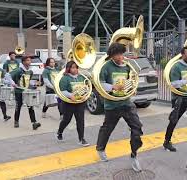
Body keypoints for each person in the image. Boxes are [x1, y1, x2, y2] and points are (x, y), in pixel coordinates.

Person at [96, 43, 143, 172]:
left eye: (122, 53)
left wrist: (132, 89)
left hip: (127, 103)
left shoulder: (127, 67)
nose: (121, 56)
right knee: (107, 128)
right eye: (117, 54)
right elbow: (99, 83)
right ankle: (100, 148)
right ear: (112, 55)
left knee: (137, 128)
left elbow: (130, 81)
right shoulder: (106, 67)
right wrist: (112, 87)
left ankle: (134, 155)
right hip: (112, 104)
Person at [57, 61, 89, 147]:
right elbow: (62, 91)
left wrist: (84, 95)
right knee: (66, 120)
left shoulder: (82, 77)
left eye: (76, 67)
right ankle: (60, 132)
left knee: (80, 121)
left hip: (80, 103)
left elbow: (86, 88)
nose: (75, 69)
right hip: (68, 103)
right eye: (72, 67)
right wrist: (71, 95)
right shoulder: (65, 78)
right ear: (68, 68)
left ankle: (81, 138)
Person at [9, 56, 41, 130]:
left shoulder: (30, 71)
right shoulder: (18, 70)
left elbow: (28, 81)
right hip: (19, 91)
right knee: (18, 106)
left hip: (27, 91)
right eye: (27, 60)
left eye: (30, 60)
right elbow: (8, 75)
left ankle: (34, 123)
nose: (29, 62)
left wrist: (34, 84)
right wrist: (13, 83)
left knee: (30, 106)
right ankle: (16, 121)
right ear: (23, 62)